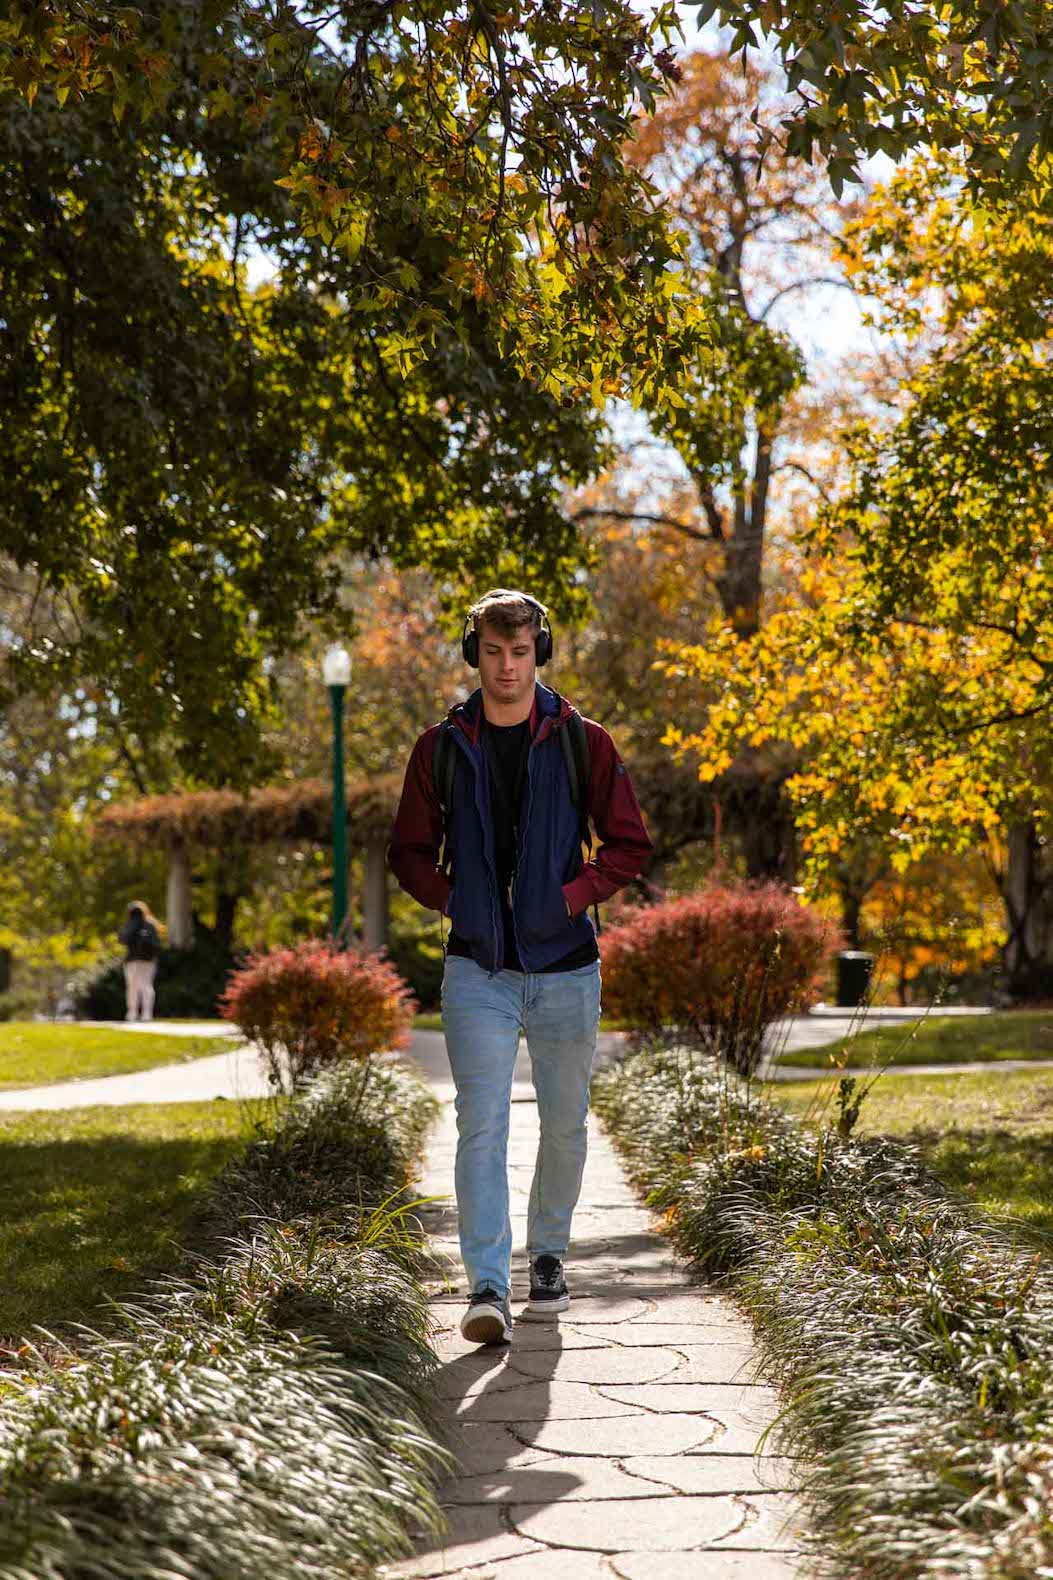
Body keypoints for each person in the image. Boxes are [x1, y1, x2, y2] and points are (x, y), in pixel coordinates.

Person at [388, 588, 653, 1345]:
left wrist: (571, 898)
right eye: (493, 652)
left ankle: (547, 1255)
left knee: (565, 1126)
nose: (507, 667)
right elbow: (406, 851)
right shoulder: (439, 747)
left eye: (521, 651)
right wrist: (457, 903)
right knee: (482, 1126)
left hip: (566, 968)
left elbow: (628, 845)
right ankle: (486, 1285)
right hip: (478, 969)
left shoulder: (582, 741)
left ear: (541, 651)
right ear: (475, 654)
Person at [118, 900, 162, 1023]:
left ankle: (141, 1013)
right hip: (143, 961)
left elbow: (122, 939)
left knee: (137, 986)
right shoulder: (150, 925)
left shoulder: (137, 925)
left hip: (140, 961)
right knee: (143, 986)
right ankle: (139, 1013)